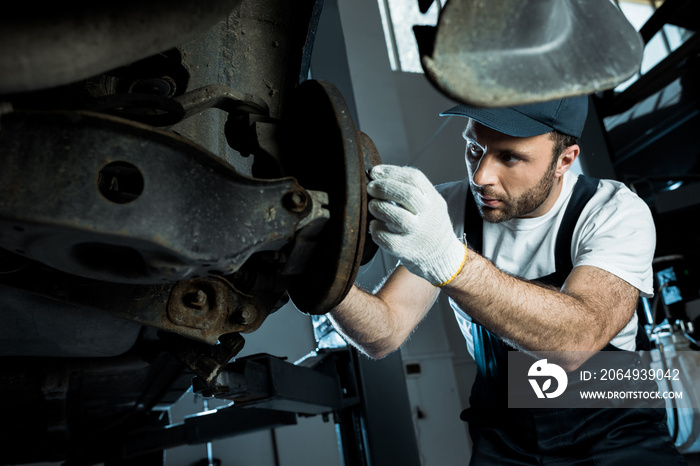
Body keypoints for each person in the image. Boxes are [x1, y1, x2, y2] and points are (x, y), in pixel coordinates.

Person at [328, 96, 687, 464]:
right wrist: (325, 278)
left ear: (565, 160)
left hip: (611, 421)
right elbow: (383, 331)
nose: (481, 176)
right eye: (473, 148)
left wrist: (448, 259)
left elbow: (578, 339)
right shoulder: (450, 209)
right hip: (504, 432)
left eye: (510, 157)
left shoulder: (610, 210)